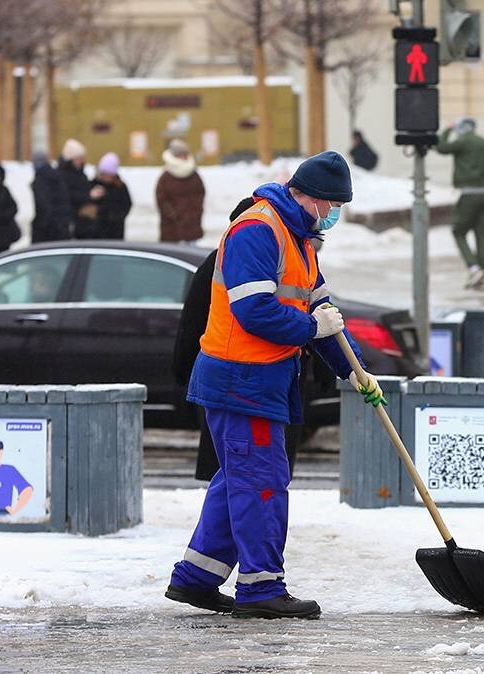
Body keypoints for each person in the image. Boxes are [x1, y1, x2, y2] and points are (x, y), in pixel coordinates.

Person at [166, 151, 384, 620]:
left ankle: (197, 578)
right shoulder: (257, 230)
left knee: (239, 481)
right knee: (262, 484)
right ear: (304, 195)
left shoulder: (301, 240)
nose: (332, 214)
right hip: (240, 379)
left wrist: (355, 371)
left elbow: (327, 315)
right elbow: (255, 311)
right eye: (329, 204)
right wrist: (311, 329)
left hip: (264, 380)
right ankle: (262, 587)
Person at [173, 197, 304, 483]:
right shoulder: (229, 262)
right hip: (239, 377)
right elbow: (196, 322)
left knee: (237, 475)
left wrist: (185, 373)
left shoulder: (271, 258)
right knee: (244, 474)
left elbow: (190, 324)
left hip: (248, 378)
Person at [436, 117, 484, 290]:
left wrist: (448, 129)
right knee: (481, 235)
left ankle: (473, 268)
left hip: (469, 194)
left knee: (458, 231)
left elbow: (441, 147)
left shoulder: (463, 142)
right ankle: (482, 274)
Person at [156, 139, 206, 244]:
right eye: (181, 154)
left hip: (191, 225)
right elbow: (161, 199)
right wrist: (174, 215)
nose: (184, 157)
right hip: (172, 227)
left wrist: (195, 213)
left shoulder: (193, 175)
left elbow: (200, 193)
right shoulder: (166, 177)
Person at [30, 149, 73, 243]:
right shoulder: (56, 175)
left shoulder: (41, 178)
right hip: (60, 225)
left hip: (47, 228)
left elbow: (43, 204)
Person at [56, 139, 96, 239]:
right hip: (72, 220)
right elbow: (68, 195)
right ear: (71, 159)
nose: (82, 161)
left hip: (84, 221)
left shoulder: (81, 174)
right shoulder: (62, 175)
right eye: (79, 158)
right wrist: (89, 196)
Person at [90, 152, 132, 240]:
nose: (105, 177)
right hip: (97, 231)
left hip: (115, 230)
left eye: (108, 174)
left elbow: (127, 204)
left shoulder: (120, 186)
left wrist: (116, 217)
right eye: (104, 173)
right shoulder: (94, 184)